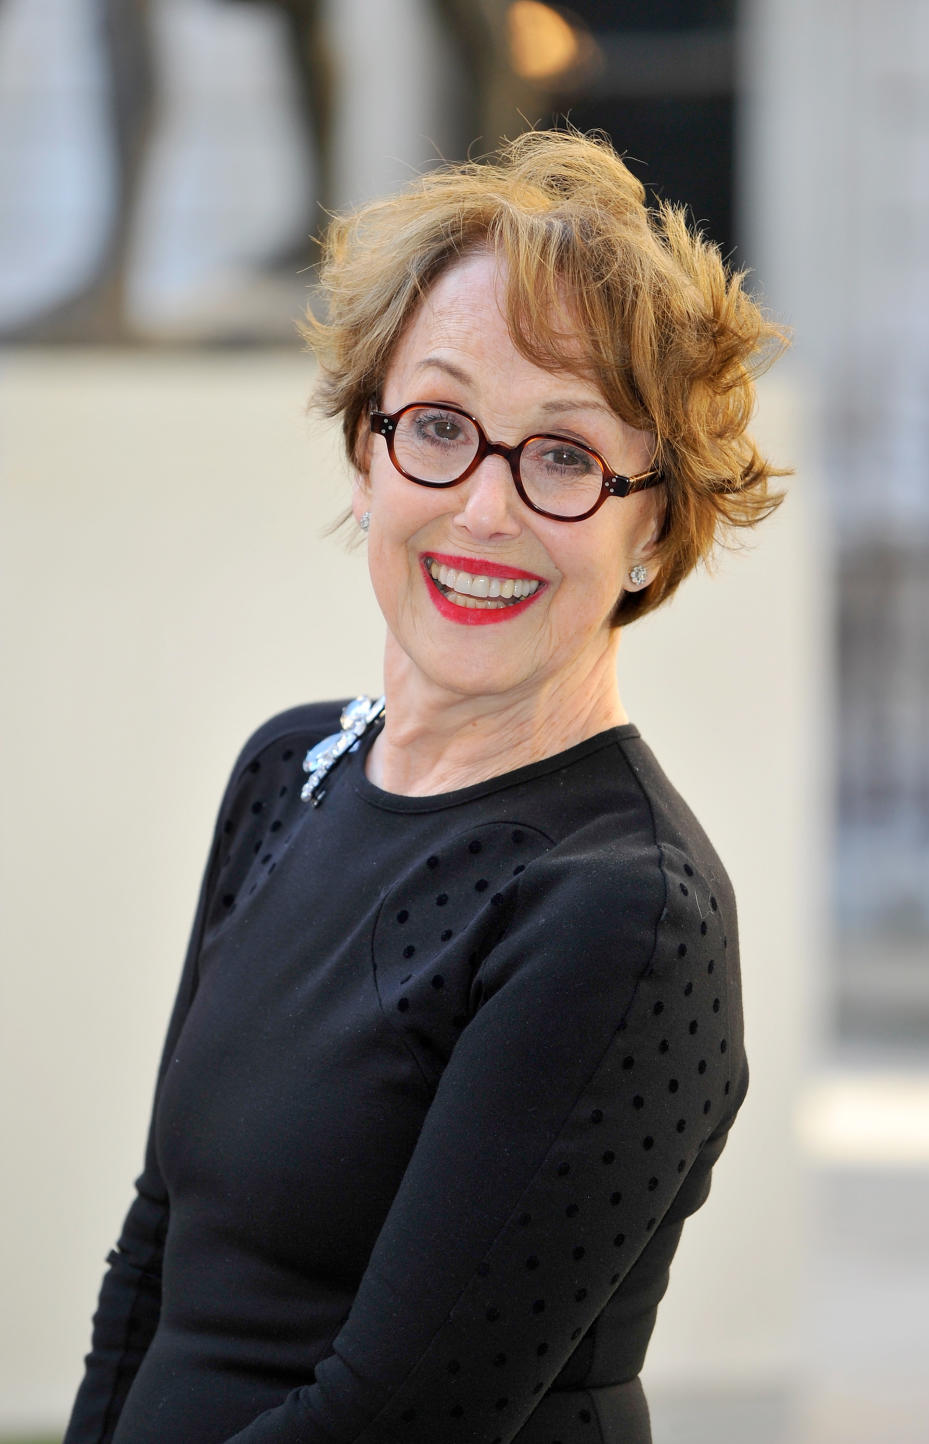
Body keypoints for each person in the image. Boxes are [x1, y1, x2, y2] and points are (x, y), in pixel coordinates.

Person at [64, 127, 787, 1444]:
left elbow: (397, 1420)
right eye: (441, 427)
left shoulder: (628, 920)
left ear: (655, 528)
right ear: (369, 455)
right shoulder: (290, 771)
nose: (486, 510)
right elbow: (156, 1259)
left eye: (565, 456)